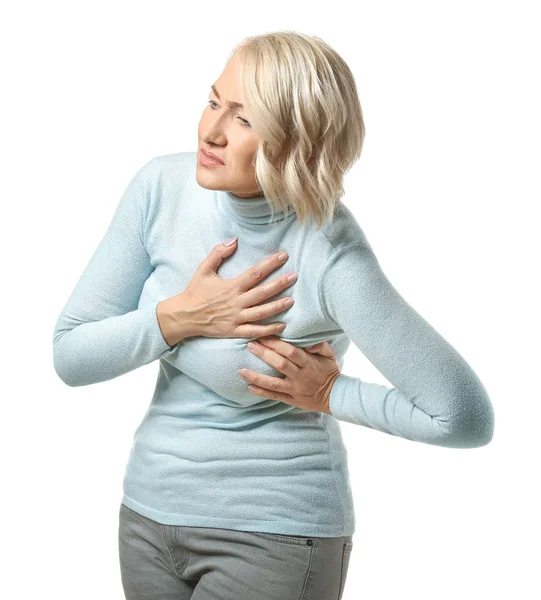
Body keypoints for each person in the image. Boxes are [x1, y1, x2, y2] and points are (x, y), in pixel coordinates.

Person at [52, 31, 495, 600]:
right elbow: (70, 354)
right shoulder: (160, 188)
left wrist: (332, 391)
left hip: (274, 537)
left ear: (299, 140)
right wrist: (178, 318)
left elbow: (462, 416)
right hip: (147, 517)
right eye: (213, 102)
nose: (210, 132)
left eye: (243, 119)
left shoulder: (329, 254)